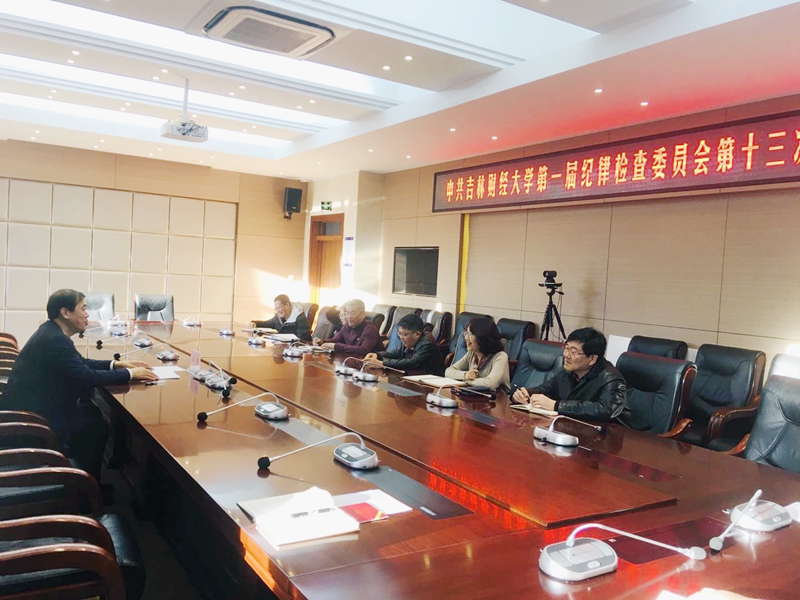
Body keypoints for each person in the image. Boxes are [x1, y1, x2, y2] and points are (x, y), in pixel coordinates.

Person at [2, 289, 158, 480]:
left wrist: (116, 364)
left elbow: (79, 363)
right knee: (94, 425)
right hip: (33, 421)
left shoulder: (51, 331)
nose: (87, 314)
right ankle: (84, 486)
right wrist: (130, 374)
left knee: (93, 417)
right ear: (65, 313)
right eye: (83, 309)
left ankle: (88, 477)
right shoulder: (54, 340)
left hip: (34, 408)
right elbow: (85, 377)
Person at [511, 327, 629, 422]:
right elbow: (546, 389)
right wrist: (526, 394)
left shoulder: (611, 378)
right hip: (571, 428)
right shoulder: (568, 372)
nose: (566, 355)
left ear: (592, 359)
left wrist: (557, 405)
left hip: (604, 437)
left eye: (573, 352)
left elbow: (605, 410)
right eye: (566, 348)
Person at [364, 313, 445, 376]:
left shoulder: (427, 344)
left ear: (417, 334)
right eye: (399, 333)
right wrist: (376, 355)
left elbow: (411, 363)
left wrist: (382, 363)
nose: (401, 337)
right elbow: (394, 354)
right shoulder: (407, 341)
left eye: (404, 334)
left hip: (431, 382)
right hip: (413, 376)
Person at [444, 317, 510, 391]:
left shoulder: (500, 357)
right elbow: (448, 372)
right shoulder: (471, 354)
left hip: (497, 397)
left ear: (482, 337)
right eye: (466, 333)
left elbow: (490, 384)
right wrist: (465, 375)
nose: (466, 338)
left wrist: (466, 380)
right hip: (475, 394)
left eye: (470, 334)